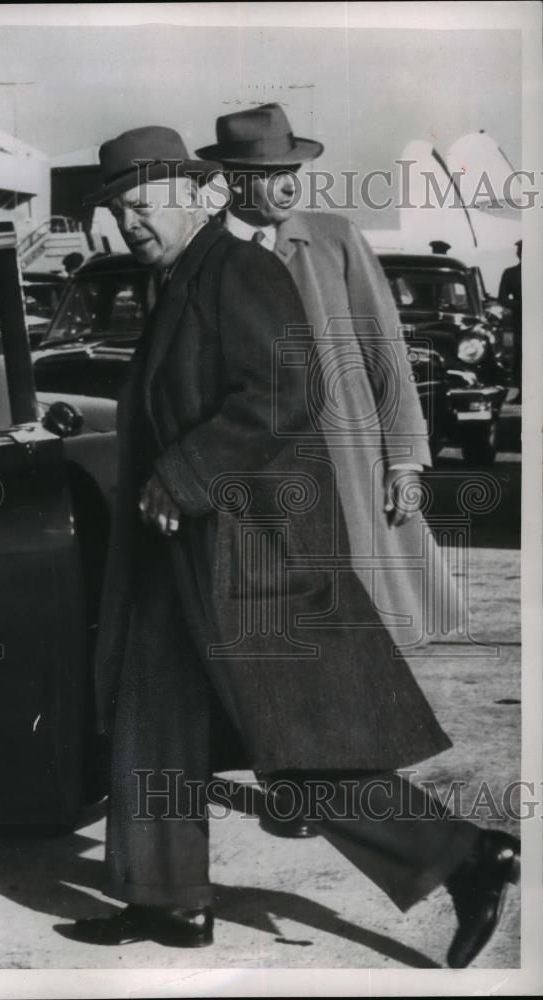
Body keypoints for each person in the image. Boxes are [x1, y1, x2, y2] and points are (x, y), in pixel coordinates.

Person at [64, 125, 519, 967]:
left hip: (247, 551)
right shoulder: (178, 278)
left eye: (143, 204)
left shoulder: (238, 270)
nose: (130, 223)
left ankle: (463, 856)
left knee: (291, 738)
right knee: (150, 721)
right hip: (182, 554)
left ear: (194, 194)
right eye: (118, 211)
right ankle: (167, 899)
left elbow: (282, 390)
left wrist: (183, 475)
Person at [197, 102, 460, 652]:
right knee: (276, 638)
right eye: (270, 174)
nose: (287, 185)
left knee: (368, 629)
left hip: (347, 463)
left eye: (291, 171)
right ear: (234, 180)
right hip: (256, 477)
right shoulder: (205, 256)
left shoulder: (336, 238)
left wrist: (405, 459)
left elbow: (385, 351)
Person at [498, 239, 522, 403]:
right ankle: (522, 391)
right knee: (521, 356)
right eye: (519, 250)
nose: (519, 253)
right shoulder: (510, 273)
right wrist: (520, 305)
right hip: (520, 321)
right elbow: (502, 297)